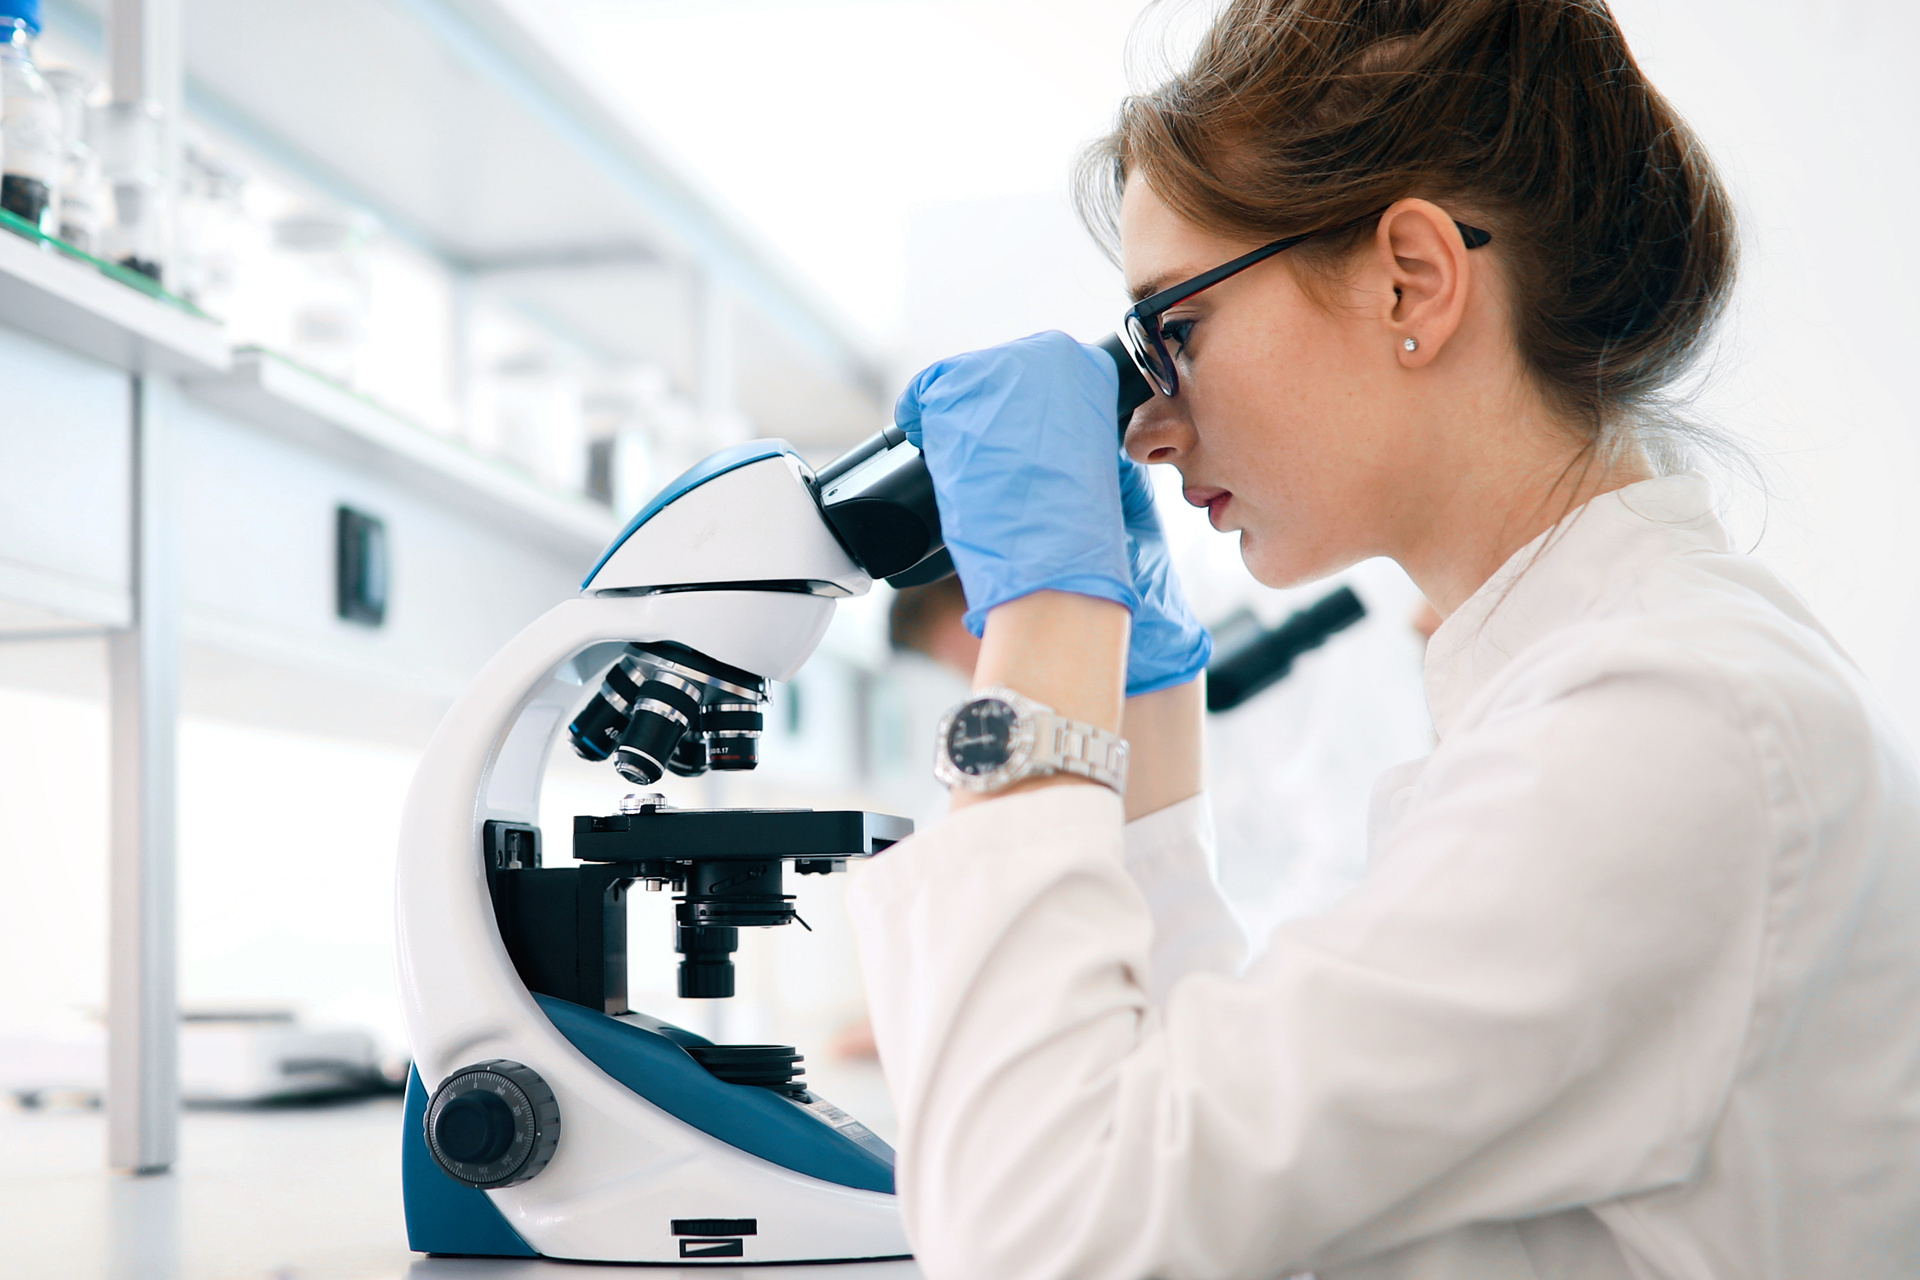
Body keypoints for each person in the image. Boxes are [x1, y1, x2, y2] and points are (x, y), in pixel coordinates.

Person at [843, 2, 1920, 1278]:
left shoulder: (1670, 721)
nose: (1145, 428)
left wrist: (1043, 617)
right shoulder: (1598, 689)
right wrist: (1145, 723)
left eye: (1171, 333)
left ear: (1412, 278)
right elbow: (1220, 1177)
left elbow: (1046, 1226)